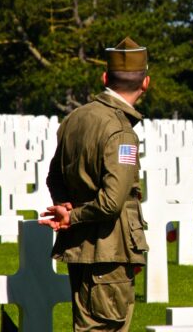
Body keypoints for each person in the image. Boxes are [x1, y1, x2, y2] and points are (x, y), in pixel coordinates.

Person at [39, 36, 150, 332]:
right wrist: (71, 216)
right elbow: (113, 202)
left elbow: (54, 176)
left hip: (83, 246)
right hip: (108, 249)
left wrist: (65, 205)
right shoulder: (121, 131)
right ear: (146, 83)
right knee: (105, 327)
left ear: (104, 78)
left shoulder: (75, 119)